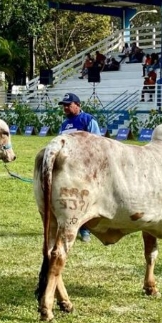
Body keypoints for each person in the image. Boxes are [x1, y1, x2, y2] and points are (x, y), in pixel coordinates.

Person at [58, 93, 101, 243]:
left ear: (77, 104)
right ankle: (73, 227)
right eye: (64, 105)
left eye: (68, 105)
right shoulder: (64, 125)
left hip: (85, 168)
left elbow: (98, 143)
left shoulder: (88, 120)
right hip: (68, 169)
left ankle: (86, 230)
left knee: (84, 198)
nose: (65, 108)